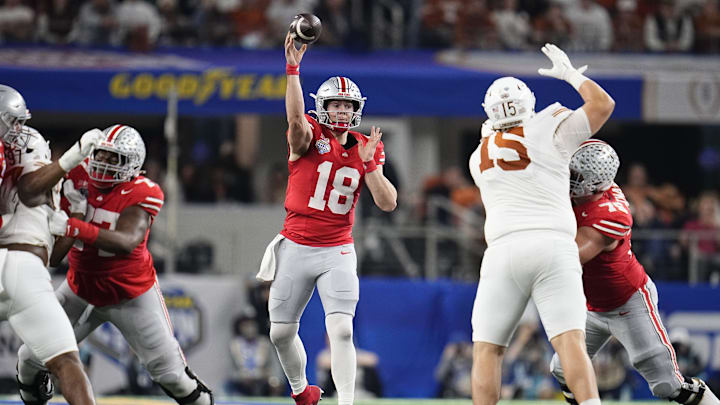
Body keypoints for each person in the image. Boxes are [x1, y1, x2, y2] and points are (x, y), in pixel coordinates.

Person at [17, 124, 214, 405]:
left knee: (172, 377)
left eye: (114, 159)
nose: (103, 163)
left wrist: (74, 225)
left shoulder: (143, 191)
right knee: (28, 358)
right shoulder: (77, 175)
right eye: (101, 154)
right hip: (80, 289)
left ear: (132, 165)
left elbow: (126, 242)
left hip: (130, 294)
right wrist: (67, 215)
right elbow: (55, 256)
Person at [467, 43, 615, 405]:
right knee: (569, 342)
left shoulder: (477, 157)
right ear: (529, 104)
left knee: (488, 349)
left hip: (502, 251)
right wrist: (571, 75)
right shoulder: (550, 126)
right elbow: (603, 105)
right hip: (552, 245)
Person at [256, 32, 397, 405]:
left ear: (357, 110)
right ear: (322, 106)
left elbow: (387, 203)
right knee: (280, 333)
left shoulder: (368, 145)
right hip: (296, 244)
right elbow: (295, 121)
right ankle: (303, 391)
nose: (341, 112)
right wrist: (292, 71)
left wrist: (371, 166)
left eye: (347, 106)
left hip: (337, 249)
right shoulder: (309, 134)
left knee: (342, 329)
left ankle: (346, 402)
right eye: (334, 105)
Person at [550, 140, 720, 405]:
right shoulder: (590, 190)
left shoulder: (610, 214)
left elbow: (565, 257)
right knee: (562, 368)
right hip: (591, 306)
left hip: (627, 302)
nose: (569, 177)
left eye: (577, 175)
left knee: (668, 385)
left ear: (595, 182)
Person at [0, 84, 102, 405]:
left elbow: (56, 255)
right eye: (12, 122)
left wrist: (75, 221)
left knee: (64, 360)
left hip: (26, 263)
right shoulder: (31, 152)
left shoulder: (26, 150)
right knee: (65, 361)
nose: (18, 131)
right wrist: (73, 157)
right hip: (24, 266)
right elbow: (30, 190)